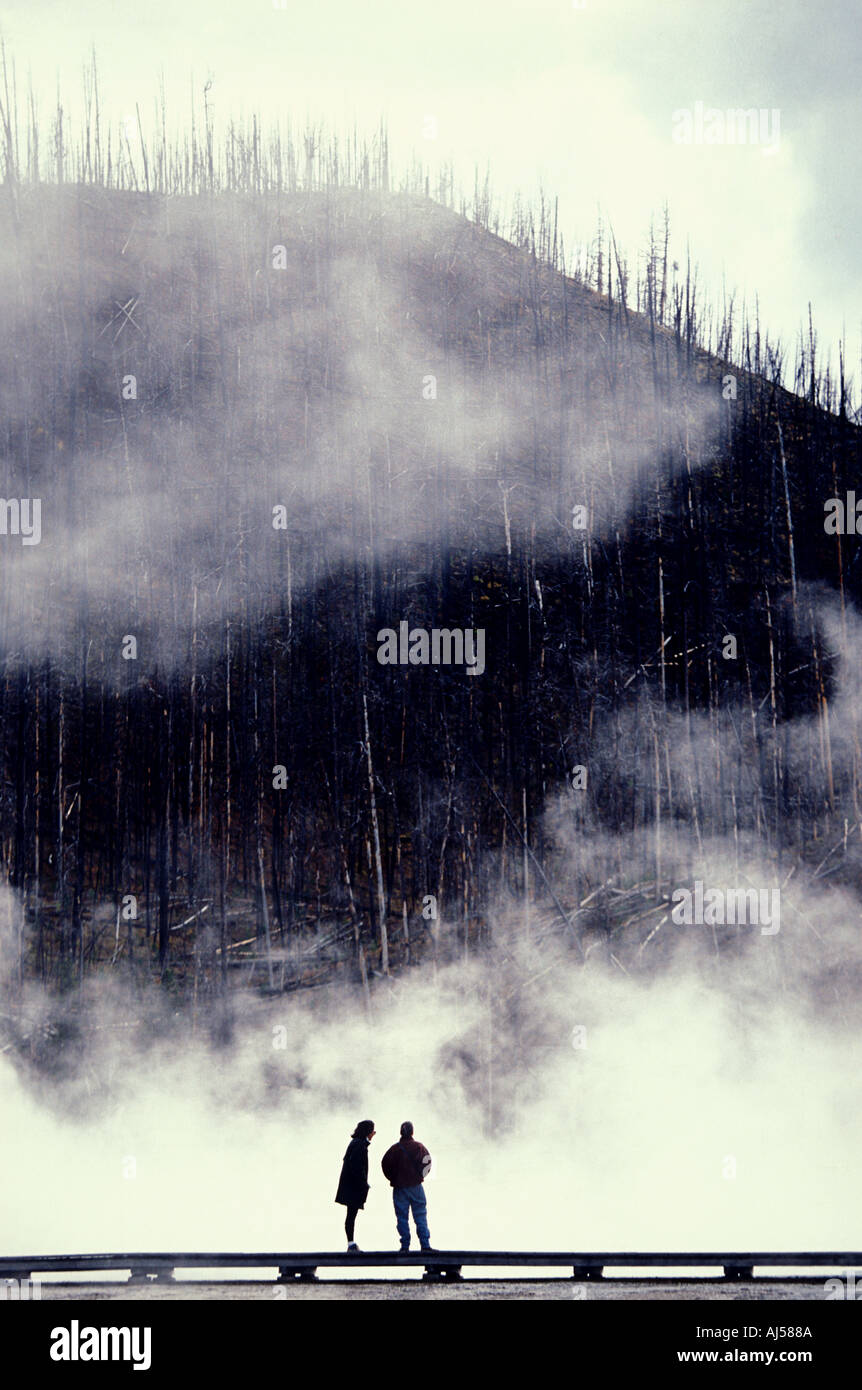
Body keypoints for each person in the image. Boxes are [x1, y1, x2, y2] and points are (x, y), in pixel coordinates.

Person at [380, 1120, 434, 1252]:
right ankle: (425, 1245)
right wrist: (420, 1176)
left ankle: (405, 1246)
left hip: (399, 1188)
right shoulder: (419, 1147)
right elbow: (427, 1163)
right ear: (412, 1132)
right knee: (420, 1215)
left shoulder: (394, 1149)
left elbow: (384, 1165)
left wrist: (393, 1179)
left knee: (402, 1217)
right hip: (416, 1187)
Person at [335, 1119, 375, 1251]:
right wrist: (364, 1183)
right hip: (353, 1187)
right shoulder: (359, 1145)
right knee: (351, 1215)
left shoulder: (356, 1143)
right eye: (372, 1131)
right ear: (367, 1132)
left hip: (349, 1186)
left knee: (350, 1215)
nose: (373, 1134)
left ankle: (351, 1243)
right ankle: (351, 1244)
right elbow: (357, 1166)